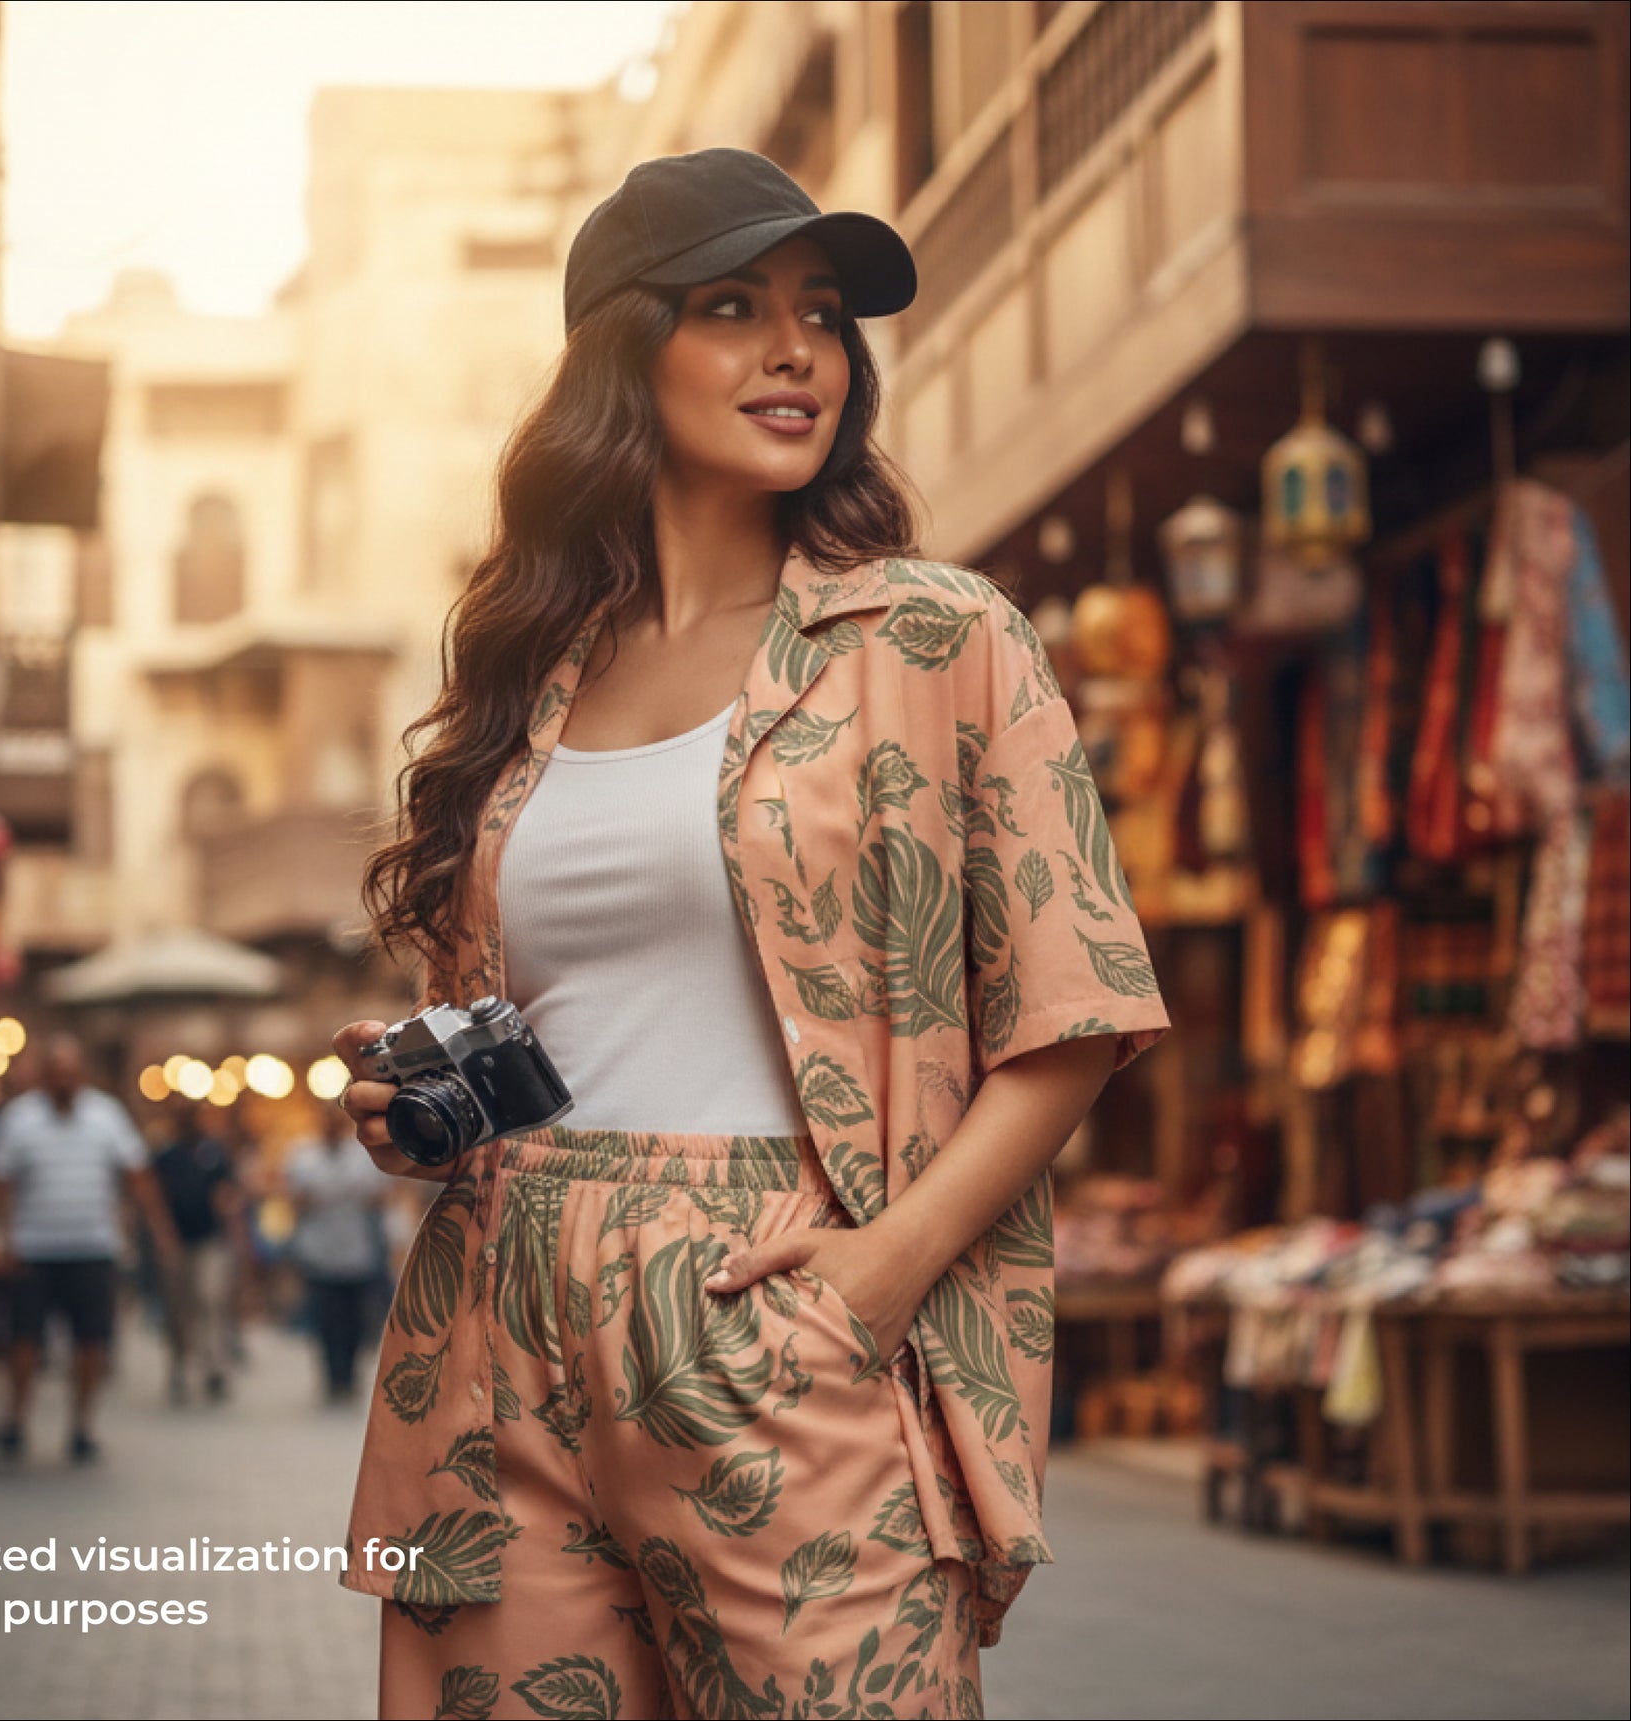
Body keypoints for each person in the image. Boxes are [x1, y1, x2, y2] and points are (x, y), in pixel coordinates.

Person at [334, 148, 1172, 1718]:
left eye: (822, 315)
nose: (799, 350)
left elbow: (1077, 1009)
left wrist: (876, 1276)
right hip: (498, 1324)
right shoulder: (534, 681)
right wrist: (411, 1107)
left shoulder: (933, 637)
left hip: (772, 1299)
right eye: (732, 308)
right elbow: (545, 1018)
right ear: (620, 351)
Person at [0, 1033, 181, 1463]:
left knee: (90, 1340)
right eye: (56, 1075)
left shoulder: (106, 1116)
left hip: (92, 1247)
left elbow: (137, 1175)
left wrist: (158, 1229)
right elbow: (0, 1180)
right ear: (44, 1077)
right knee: (24, 1339)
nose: (63, 1083)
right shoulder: (20, 1118)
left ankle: (81, 1424)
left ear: (82, 1077)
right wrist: (4, 1237)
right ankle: (16, 1419)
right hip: (34, 1248)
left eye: (70, 1075)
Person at [286, 1100, 393, 1402]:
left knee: (356, 1320)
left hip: (356, 1251)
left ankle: (349, 1374)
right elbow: (294, 1200)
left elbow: (382, 1195)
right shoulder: (303, 1156)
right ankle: (332, 1375)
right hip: (319, 1252)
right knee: (326, 1320)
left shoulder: (362, 1156)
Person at [150, 1098, 242, 1405]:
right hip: (177, 1241)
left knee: (209, 1299)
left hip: (209, 1240)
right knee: (178, 1307)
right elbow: (155, 1197)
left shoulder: (214, 1154)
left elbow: (228, 1194)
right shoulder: (167, 1156)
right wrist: (163, 1235)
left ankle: (213, 1366)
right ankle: (178, 1363)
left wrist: (233, 1226)